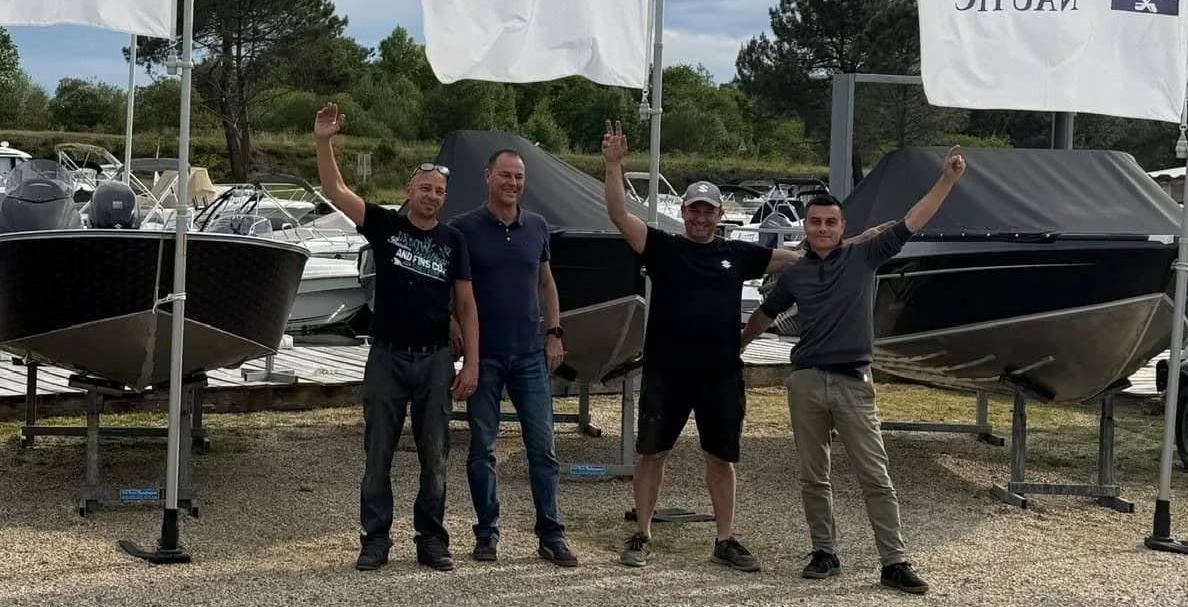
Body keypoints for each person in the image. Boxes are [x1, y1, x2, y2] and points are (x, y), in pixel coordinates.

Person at [740, 149, 968, 595]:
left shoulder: (865, 256)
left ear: (843, 227)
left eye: (830, 223)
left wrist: (947, 181)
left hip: (853, 381)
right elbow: (765, 314)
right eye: (815, 222)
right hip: (806, 381)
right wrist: (737, 348)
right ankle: (823, 552)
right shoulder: (796, 275)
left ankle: (894, 561)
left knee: (874, 474)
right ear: (805, 228)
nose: (823, 229)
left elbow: (912, 220)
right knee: (813, 474)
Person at [601, 122, 815, 572]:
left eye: (708, 212)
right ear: (683, 212)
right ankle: (642, 533)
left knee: (721, 456)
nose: (701, 218)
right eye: (694, 211)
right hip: (667, 370)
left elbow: (796, 258)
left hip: (719, 372)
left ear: (719, 214)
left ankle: (725, 539)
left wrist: (837, 249)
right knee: (652, 452)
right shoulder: (663, 248)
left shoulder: (737, 254)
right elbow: (620, 215)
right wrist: (614, 166)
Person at [314, 104, 479, 572]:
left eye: (440, 191)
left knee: (436, 456)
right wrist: (324, 141)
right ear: (408, 191)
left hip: (434, 361)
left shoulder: (453, 241)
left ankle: (431, 539)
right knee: (378, 454)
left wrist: (473, 363)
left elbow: (466, 305)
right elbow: (335, 189)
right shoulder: (385, 226)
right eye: (424, 188)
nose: (432, 195)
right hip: (387, 357)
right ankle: (376, 539)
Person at [451, 146, 579, 567]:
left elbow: (547, 283)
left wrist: (554, 332)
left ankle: (550, 533)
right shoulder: (463, 229)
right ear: (488, 177)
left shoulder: (537, 226)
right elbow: (448, 287)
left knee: (542, 448)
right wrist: (452, 328)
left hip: (529, 354)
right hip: (483, 354)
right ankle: (486, 532)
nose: (512, 184)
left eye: (519, 177)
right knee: (481, 450)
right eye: (505, 176)